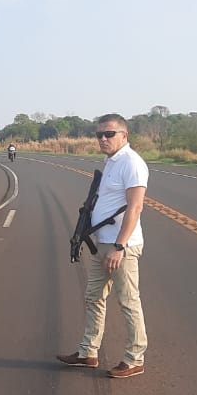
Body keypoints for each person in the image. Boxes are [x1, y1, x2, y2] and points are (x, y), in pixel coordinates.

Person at [58, 113, 150, 378]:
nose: (103, 139)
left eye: (109, 134)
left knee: (128, 301)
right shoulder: (111, 162)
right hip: (103, 244)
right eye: (99, 134)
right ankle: (88, 352)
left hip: (122, 247)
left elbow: (135, 207)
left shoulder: (131, 163)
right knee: (93, 297)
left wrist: (120, 247)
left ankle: (135, 358)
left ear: (124, 135)